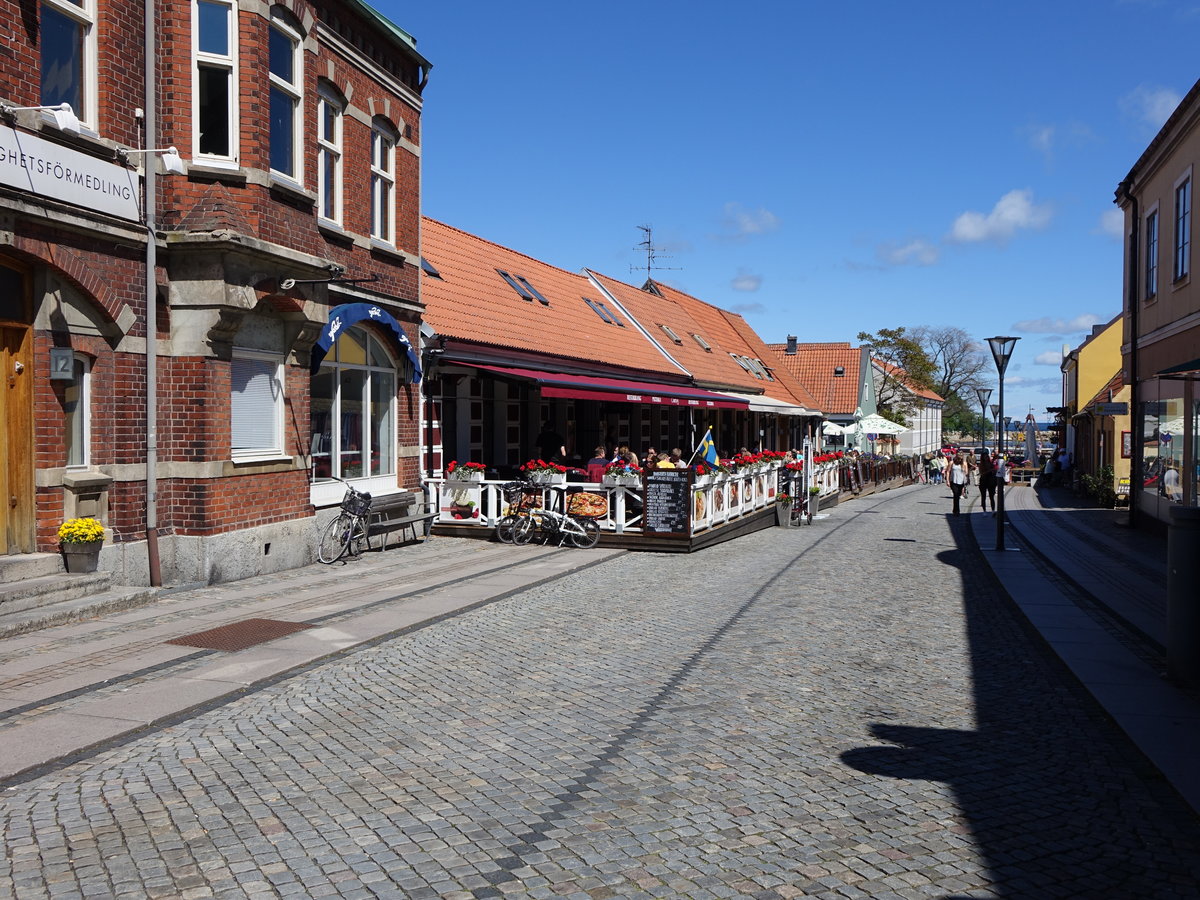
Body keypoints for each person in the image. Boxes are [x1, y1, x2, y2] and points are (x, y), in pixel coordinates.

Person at [947, 451, 970, 515]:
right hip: (953, 481)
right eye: (959, 458)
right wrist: (947, 481)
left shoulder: (964, 463)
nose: (960, 459)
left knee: (958, 495)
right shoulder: (952, 463)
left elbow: (966, 473)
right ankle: (956, 510)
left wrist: (967, 479)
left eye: (961, 458)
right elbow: (948, 471)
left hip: (961, 481)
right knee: (956, 495)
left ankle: (955, 509)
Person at [977, 448, 996, 514]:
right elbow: (981, 473)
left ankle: (993, 510)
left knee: (991, 496)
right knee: (983, 496)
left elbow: (994, 470)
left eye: (987, 457)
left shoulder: (991, 464)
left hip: (991, 481)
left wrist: (993, 471)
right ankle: (984, 510)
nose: (986, 458)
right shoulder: (981, 465)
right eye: (985, 457)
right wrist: (990, 471)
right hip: (983, 481)